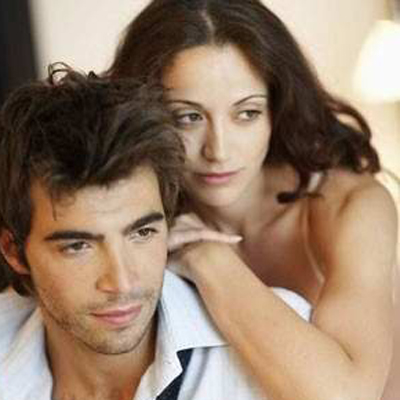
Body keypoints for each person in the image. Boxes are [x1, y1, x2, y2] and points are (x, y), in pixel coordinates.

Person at [106, 1, 399, 399]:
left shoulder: (350, 205)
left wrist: (207, 257)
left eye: (246, 113)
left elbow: (346, 395)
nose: (218, 150)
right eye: (188, 117)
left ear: (277, 109)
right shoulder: (136, 215)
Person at [0, 65, 311, 400]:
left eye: (143, 233)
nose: (122, 282)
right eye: (78, 246)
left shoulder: (283, 344)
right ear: (15, 252)